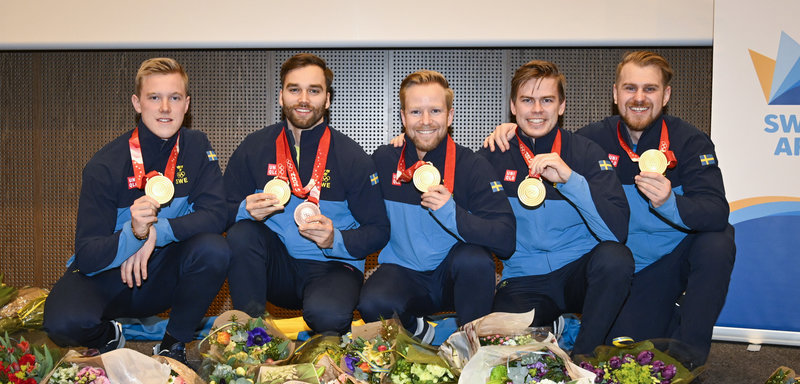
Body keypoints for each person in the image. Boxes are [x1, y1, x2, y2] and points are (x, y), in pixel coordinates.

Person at [486, 51, 735, 369]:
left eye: (650, 89)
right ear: (616, 94)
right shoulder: (592, 141)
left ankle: (690, 362)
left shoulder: (691, 143)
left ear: (666, 94)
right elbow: (547, 135)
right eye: (630, 88)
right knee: (625, 354)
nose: (639, 98)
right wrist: (511, 131)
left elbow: (716, 212)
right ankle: (644, 318)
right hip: (626, 273)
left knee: (719, 239)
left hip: (672, 259)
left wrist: (670, 203)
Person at [43, 58, 231, 364]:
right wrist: (133, 234)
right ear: (137, 103)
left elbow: (216, 214)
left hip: (163, 271)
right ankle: (107, 335)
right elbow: (89, 256)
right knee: (62, 323)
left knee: (215, 249)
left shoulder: (197, 147)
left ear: (187, 104)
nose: (165, 108)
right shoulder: (105, 164)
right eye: (154, 97)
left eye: (174, 98)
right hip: (108, 274)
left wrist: (155, 234)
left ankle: (173, 343)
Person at [224, 53, 389, 336]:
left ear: (327, 99)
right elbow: (218, 210)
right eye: (294, 89)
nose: (303, 99)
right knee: (242, 233)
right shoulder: (255, 147)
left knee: (327, 315)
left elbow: (379, 231)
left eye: (313, 91)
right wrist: (243, 210)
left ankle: (330, 326)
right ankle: (252, 340)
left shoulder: (352, 157)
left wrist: (336, 239)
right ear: (281, 96)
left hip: (333, 267)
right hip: (278, 269)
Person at [479, 60, 633, 355]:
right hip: (524, 278)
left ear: (561, 106)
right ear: (513, 106)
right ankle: (558, 328)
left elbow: (617, 231)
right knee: (498, 348)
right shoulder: (494, 154)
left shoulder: (586, 153)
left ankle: (585, 356)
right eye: (527, 101)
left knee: (616, 258)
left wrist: (570, 180)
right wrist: (407, 145)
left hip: (577, 273)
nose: (537, 110)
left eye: (547, 100)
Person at [358, 70, 516, 343]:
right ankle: (422, 332)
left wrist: (450, 211)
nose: (426, 121)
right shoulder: (384, 160)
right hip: (403, 273)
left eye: (435, 111)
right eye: (416, 112)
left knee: (475, 260)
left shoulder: (472, 165)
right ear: (403, 117)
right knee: (372, 303)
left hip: (453, 278)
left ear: (450, 116)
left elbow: (505, 239)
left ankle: (471, 349)